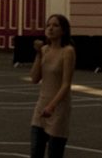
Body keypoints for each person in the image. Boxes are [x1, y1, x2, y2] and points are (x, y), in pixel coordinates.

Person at [29, 14, 76, 158]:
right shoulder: (44, 50)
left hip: (58, 107)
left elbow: (66, 84)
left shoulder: (67, 51)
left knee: (55, 152)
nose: (50, 28)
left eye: (55, 26)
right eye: (48, 25)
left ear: (63, 31)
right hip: (41, 105)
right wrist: (38, 54)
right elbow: (34, 78)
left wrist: (52, 106)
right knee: (36, 150)